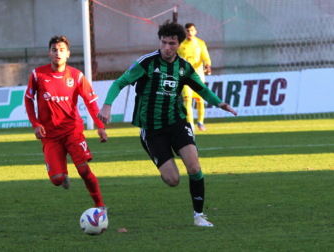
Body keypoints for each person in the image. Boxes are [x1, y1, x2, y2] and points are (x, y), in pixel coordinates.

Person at [97, 21, 237, 227]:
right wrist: (107, 105)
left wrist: (219, 102)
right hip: (152, 129)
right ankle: (162, 159)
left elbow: (202, 89)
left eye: (172, 43)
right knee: (173, 180)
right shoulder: (147, 63)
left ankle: (199, 216)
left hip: (176, 122)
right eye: (164, 42)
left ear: (179, 44)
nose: (167, 47)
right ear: (160, 41)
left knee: (194, 166)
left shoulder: (184, 67)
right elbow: (119, 83)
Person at [24, 35, 108, 210]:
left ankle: (100, 205)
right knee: (57, 180)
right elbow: (28, 99)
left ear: (68, 54)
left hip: (72, 131)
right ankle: (62, 175)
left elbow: (90, 102)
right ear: (49, 53)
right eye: (55, 50)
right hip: (50, 135)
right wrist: (36, 124)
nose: (58, 53)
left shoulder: (76, 76)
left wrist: (100, 127)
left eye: (62, 50)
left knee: (84, 170)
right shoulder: (38, 74)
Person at [177, 23, 212, 131]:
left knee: (199, 100)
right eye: (187, 30)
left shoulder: (200, 43)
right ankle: (190, 124)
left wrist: (207, 66)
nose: (190, 33)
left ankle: (200, 122)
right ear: (185, 32)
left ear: (195, 31)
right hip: (184, 77)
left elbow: (206, 58)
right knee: (187, 100)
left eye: (192, 30)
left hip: (198, 76)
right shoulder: (180, 44)